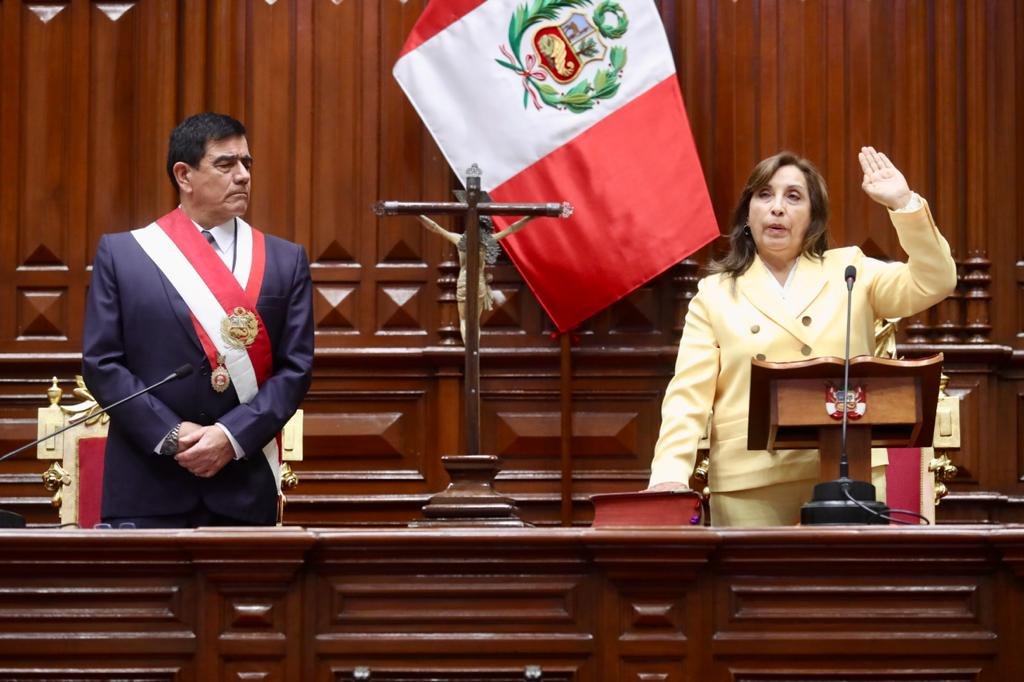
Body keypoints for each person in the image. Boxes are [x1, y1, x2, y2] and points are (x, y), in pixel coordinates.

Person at [646, 147, 957, 526]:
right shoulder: (715, 293)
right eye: (765, 195)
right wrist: (669, 475)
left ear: (813, 219)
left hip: (848, 475)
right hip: (749, 482)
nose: (777, 208)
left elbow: (934, 281)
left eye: (793, 197)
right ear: (747, 215)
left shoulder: (852, 270)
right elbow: (687, 397)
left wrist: (903, 204)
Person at [82, 112, 314, 528]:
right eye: (226, 164)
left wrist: (231, 436)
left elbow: (295, 369)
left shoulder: (285, 260)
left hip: (243, 487)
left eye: (246, 163)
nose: (243, 175)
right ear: (184, 175)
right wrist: (172, 435)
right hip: (148, 486)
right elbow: (103, 364)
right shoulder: (124, 256)